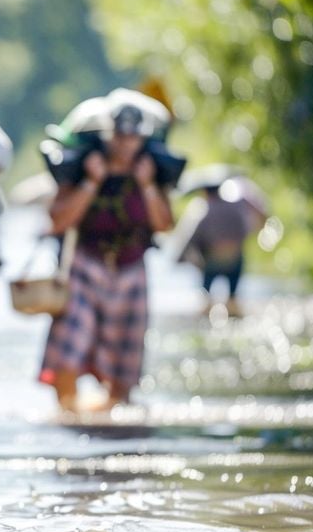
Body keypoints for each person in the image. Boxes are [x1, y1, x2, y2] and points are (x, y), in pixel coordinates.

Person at [41, 102, 174, 412]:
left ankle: (112, 416)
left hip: (131, 267)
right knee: (68, 351)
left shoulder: (151, 170)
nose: (126, 143)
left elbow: (164, 224)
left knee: (124, 360)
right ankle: (68, 415)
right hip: (85, 264)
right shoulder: (84, 166)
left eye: (133, 137)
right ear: (108, 135)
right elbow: (58, 221)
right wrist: (91, 182)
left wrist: (147, 185)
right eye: (120, 136)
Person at [181, 178, 267, 317]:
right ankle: (233, 313)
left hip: (211, 262)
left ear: (204, 192)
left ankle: (207, 318)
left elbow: (192, 240)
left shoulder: (203, 210)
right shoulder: (236, 208)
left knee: (206, 297)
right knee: (233, 297)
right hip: (234, 260)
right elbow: (247, 230)